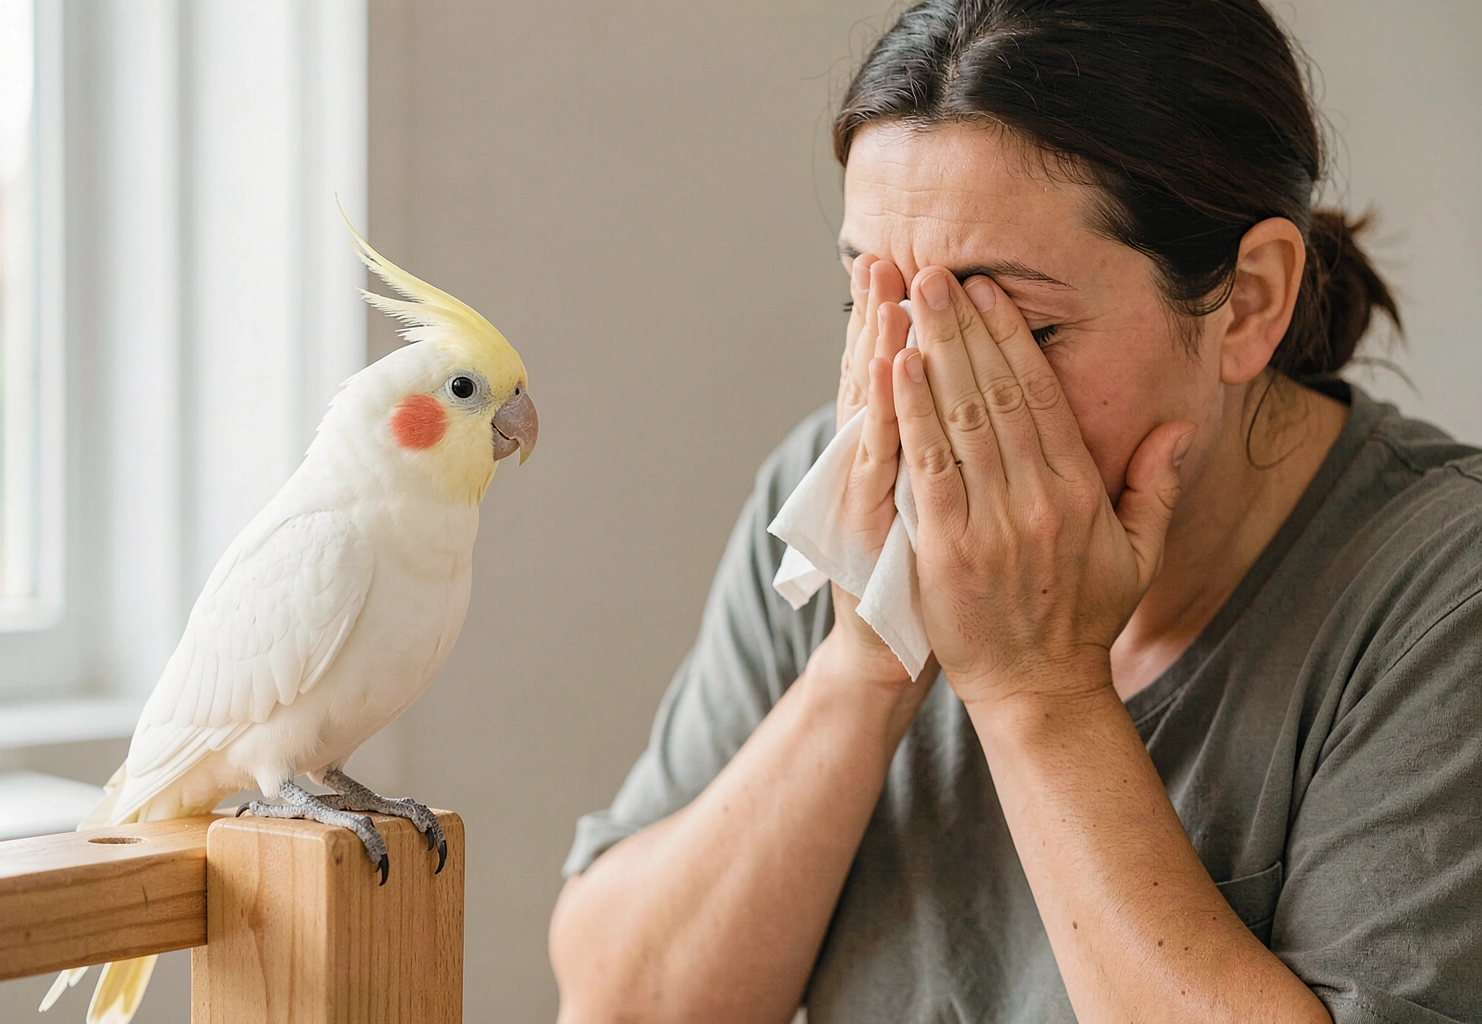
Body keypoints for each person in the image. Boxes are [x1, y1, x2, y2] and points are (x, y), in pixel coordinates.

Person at [548, 2, 1482, 1021]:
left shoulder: (1442, 592)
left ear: (1248, 301)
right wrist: (861, 669)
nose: (919, 396)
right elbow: (616, 1002)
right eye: (874, 308)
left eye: (1016, 329)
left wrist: (1038, 689)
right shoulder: (834, 489)